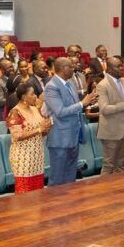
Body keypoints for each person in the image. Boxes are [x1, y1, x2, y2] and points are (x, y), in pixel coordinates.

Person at [42, 57, 97, 185]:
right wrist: (82, 104)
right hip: (60, 138)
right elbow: (60, 111)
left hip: (73, 135)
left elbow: (74, 107)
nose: (74, 69)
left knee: (70, 177)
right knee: (57, 178)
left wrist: (87, 102)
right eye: (71, 67)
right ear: (63, 68)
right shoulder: (51, 87)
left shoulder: (70, 83)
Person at [95, 56, 124, 175]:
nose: (122, 68)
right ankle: (105, 188)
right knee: (109, 165)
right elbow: (104, 109)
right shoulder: (102, 85)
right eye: (118, 66)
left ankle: (120, 187)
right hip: (111, 130)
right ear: (109, 69)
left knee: (121, 165)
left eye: (122, 65)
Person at [6, 83, 53, 193]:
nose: (35, 96)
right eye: (32, 94)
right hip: (23, 157)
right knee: (25, 191)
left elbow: (41, 131)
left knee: (38, 191)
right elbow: (17, 136)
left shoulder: (34, 109)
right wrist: (40, 129)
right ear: (24, 97)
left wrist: (46, 128)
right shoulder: (15, 112)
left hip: (37, 156)